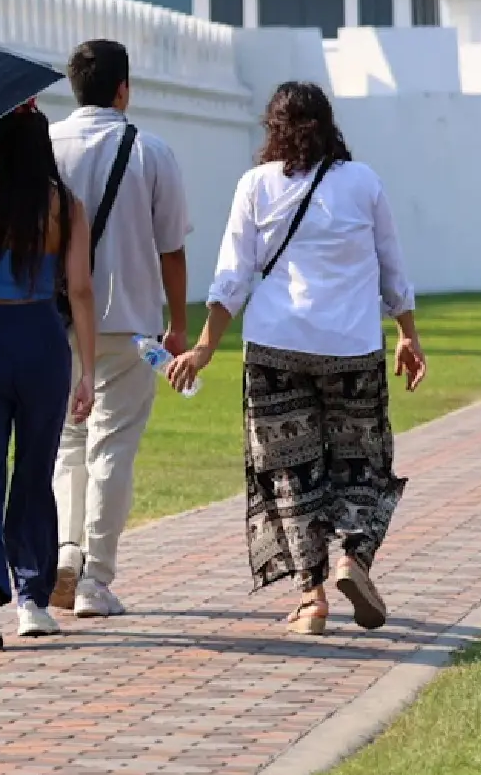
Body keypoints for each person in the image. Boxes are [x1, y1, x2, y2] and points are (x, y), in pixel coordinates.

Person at [165, 81, 426, 636]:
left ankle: (311, 598)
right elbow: (392, 267)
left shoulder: (256, 185)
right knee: (363, 462)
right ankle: (353, 559)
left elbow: (232, 277)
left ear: (273, 129)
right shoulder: (363, 182)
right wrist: (407, 334)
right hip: (351, 348)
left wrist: (205, 346)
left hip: (275, 348)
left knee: (289, 473)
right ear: (330, 126)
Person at [0, 103, 98, 650]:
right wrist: (88, 372)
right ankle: (33, 600)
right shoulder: (66, 206)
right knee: (35, 471)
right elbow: (80, 290)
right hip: (41, 340)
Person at [48, 40, 191, 619]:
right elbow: (172, 248)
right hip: (131, 324)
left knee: (67, 442)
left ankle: (66, 549)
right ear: (123, 90)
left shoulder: (47, 146)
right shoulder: (150, 151)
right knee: (112, 447)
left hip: (57, 319)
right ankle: (95, 581)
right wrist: (179, 324)